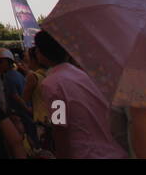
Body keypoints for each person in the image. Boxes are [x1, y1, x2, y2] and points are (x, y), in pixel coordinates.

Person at [33, 30, 126, 159]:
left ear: (41, 52)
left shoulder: (52, 85)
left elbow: (60, 127)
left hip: (87, 153)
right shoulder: (81, 74)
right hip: (113, 151)